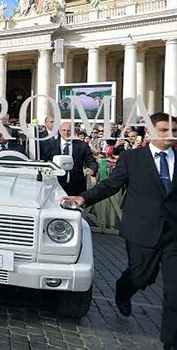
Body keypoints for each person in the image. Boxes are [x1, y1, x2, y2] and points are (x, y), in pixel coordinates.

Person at [62, 112, 176, 350]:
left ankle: (170, 343)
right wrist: (83, 198)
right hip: (142, 229)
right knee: (142, 275)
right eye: (164, 130)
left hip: (174, 234)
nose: (171, 135)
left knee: (174, 291)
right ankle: (123, 290)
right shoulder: (132, 158)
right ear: (150, 131)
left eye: (174, 131)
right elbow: (111, 185)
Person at [41, 122, 97, 195]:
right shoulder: (50, 145)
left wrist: (92, 169)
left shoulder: (82, 145)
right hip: (55, 185)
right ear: (59, 131)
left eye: (69, 130)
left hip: (76, 185)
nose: (66, 133)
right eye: (64, 130)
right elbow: (45, 161)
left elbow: (91, 160)